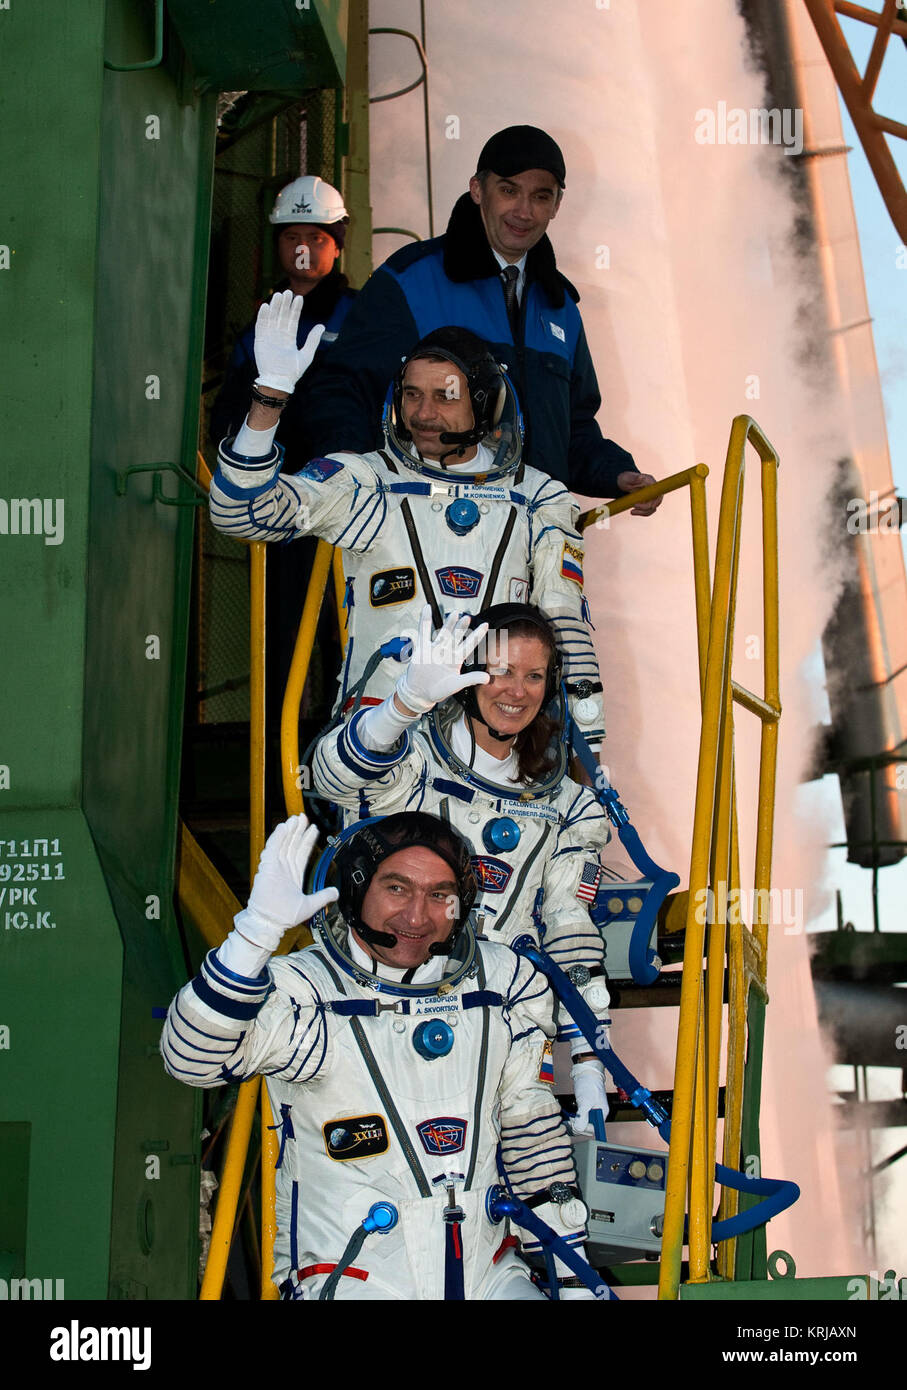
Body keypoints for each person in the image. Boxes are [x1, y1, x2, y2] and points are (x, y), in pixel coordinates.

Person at [160, 812, 598, 1300]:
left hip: (488, 1272)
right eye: (396, 888)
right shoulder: (307, 990)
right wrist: (255, 934)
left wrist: (574, 1280)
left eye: (439, 895)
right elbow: (189, 1059)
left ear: (462, 903)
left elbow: (533, 1135)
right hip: (353, 1275)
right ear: (355, 890)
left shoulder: (503, 984)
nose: (416, 916)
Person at [209, 307, 606, 749]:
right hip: (381, 739)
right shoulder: (368, 482)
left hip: (498, 748)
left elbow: (564, 629)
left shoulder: (537, 498)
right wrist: (269, 398)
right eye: (412, 395)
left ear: (486, 403)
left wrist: (587, 751)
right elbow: (240, 514)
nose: (423, 413)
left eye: (445, 397)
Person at [312, 603, 612, 1132]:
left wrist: (590, 1064)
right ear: (470, 673)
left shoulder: (569, 803)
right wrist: (400, 707)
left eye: (534, 675)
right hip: (382, 996)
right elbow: (331, 779)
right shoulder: (412, 758)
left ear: (551, 687)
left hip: (502, 1014)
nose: (515, 691)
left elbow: (572, 931)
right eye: (500, 670)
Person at [303, 124, 662, 508]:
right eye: (508, 190)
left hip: (529, 543)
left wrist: (616, 474)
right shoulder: (410, 281)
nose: (524, 212)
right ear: (477, 189)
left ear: (557, 205)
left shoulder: (563, 311)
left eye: (541, 197)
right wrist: (351, 488)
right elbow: (345, 392)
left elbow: (572, 432)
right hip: (425, 535)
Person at [209, 175, 356, 472]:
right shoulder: (262, 319)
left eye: (316, 238)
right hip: (264, 480)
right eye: (292, 238)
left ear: (337, 247)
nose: (303, 249)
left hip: (333, 483)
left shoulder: (360, 313)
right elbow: (230, 405)